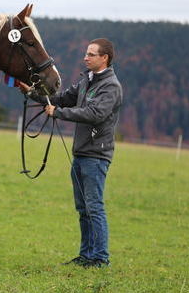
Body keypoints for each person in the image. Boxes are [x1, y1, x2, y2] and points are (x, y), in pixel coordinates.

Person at [19, 38, 122, 268]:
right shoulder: (87, 80)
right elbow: (61, 99)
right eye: (86, 53)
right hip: (81, 153)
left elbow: (95, 114)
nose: (86, 57)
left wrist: (59, 113)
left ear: (104, 58)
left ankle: (100, 258)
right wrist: (32, 94)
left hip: (97, 155)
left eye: (91, 54)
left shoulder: (111, 86)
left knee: (94, 207)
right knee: (83, 208)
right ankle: (86, 255)